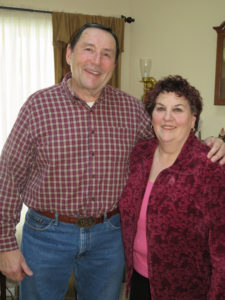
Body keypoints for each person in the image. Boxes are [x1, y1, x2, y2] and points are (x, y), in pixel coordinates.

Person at [0, 24, 224, 300]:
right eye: (89, 50)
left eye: (106, 54)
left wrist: (211, 143)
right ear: (69, 53)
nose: (96, 61)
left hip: (109, 237)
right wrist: (5, 245)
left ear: (114, 63)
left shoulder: (131, 109)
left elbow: (168, 137)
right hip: (48, 234)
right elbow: (8, 176)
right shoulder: (38, 106)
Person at [119, 75, 225, 300]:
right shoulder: (140, 154)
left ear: (193, 119)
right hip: (137, 280)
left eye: (178, 109)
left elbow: (222, 251)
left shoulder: (208, 166)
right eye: (160, 108)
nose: (167, 118)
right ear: (152, 115)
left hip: (185, 290)